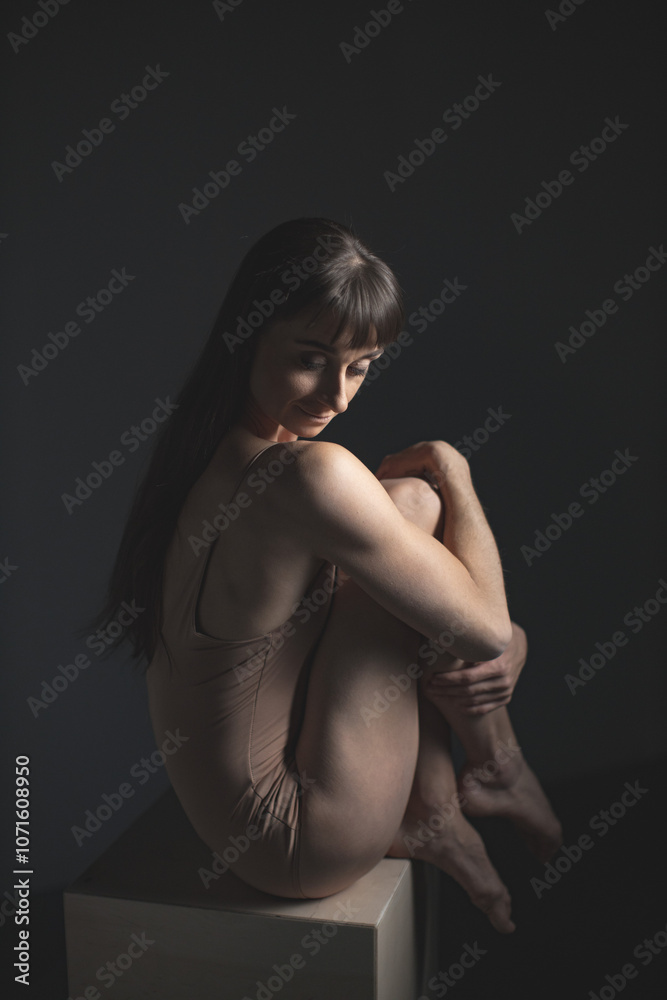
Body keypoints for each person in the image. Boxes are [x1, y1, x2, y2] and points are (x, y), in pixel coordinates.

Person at [89, 217, 562, 934]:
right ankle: (493, 766)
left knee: (400, 516)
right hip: (301, 836)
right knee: (420, 500)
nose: (335, 397)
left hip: (244, 823)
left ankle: (445, 802)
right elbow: (485, 632)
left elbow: (451, 627)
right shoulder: (309, 478)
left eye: (361, 366)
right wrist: (454, 470)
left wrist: (486, 634)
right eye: (310, 358)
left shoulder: (207, 458)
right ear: (247, 338)